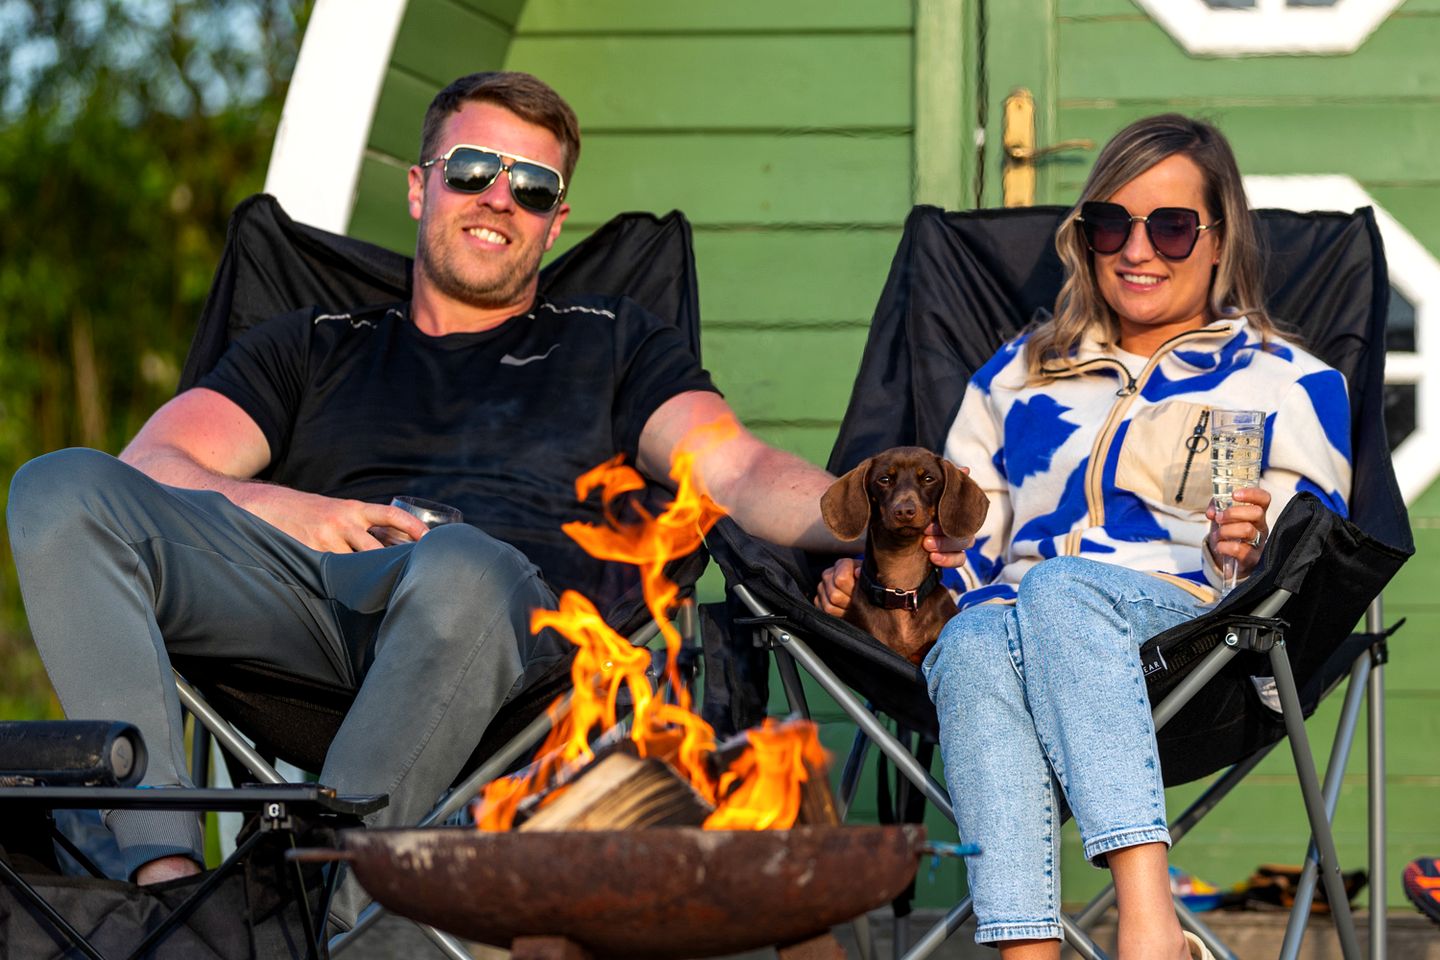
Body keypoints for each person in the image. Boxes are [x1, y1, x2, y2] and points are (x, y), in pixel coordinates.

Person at [8, 71, 971, 925]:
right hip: (305, 608)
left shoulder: (610, 339)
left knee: (459, 568)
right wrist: (291, 510)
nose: (498, 198)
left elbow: (736, 469)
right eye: (471, 169)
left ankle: (318, 911)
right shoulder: (315, 341)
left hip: (512, 639)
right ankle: (171, 889)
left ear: (556, 222)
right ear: (422, 185)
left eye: (533, 186)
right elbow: (151, 468)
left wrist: (859, 516)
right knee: (58, 487)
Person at [816, 114, 1352, 960]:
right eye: (1111, 224)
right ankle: (1028, 952)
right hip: (1019, 630)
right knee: (980, 633)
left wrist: (1246, 540)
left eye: (1171, 227)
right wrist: (886, 584)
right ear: (1084, 238)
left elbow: (1316, 540)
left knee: (1057, 588)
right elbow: (966, 531)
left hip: (1193, 637)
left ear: (1219, 240)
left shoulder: (1284, 379)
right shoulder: (1018, 373)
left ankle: (1147, 921)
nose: (1137, 250)